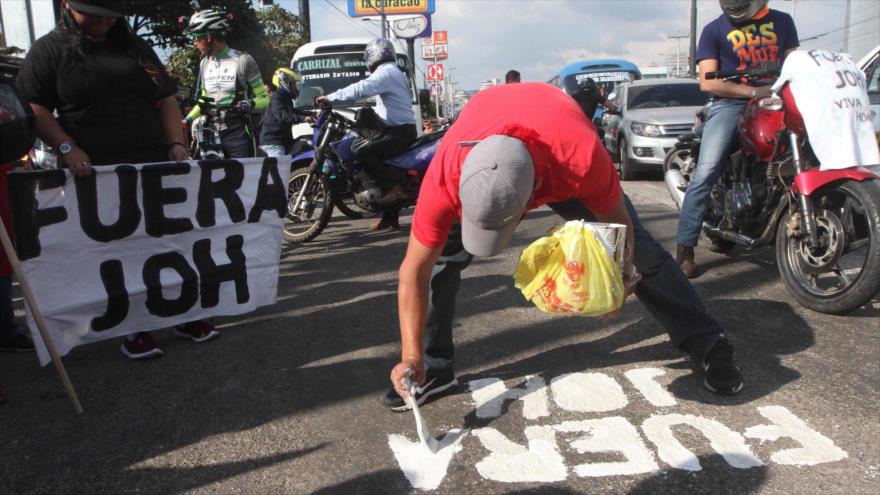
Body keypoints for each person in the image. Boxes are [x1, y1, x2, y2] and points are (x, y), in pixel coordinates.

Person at [386, 82, 744, 412]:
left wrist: (618, 282)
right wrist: (411, 355)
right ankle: (433, 367)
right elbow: (413, 270)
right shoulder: (445, 175)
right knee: (439, 263)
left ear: (535, 195)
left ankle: (706, 340)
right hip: (486, 140)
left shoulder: (580, 160)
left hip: (555, 138)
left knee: (646, 255)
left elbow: (620, 232)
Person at [15, 0, 219, 359]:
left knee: (169, 241)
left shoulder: (134, 46)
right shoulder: (49, 49)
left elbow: (165, 98)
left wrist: (176, 142)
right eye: (91, 15)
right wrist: (66, 146)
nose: (101, 23)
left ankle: (185, 312)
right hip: (96, 171)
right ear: (67, 6)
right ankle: (133, 326)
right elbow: (34, 105)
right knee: (118, 250)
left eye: (108, 17)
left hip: (153, 164)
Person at [674, 0, 798, 277]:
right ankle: (684, 248)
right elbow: (708, 82)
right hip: (730, 104)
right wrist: (754, 92)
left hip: (779, 100)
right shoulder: (713, 30)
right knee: (706, 172)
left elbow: (796, 65)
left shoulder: (783, 22)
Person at [316, 38, 418, 230]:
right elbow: (382, 102)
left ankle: (392, 189)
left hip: (399, 132)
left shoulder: (386, 73)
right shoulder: (395, 72)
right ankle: (390, 217)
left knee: (362, 152)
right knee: (386, 165)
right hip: (401, 129)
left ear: (373, 55)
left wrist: (330, 97)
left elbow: (361, 88)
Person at [182, 9, 269, 159]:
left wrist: (250, 104)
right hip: (210, 131)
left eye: (196, 37)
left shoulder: (243, 60)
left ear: (209, 37)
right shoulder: (204, 64)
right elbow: (204, 100)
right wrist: (187, 120)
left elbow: (265, 99)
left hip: (237, 132)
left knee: (242, 180)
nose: (194, 42)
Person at [260, 67, 311, 157]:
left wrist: (313, 114)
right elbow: (282, 115)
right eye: (295, 85)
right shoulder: (276, 97)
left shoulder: (285, 97)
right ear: (285, 82)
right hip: (274, 143)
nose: (297, 88)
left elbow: (293, 112)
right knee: (280, 168)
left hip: (284, 141)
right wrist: (305, 119)